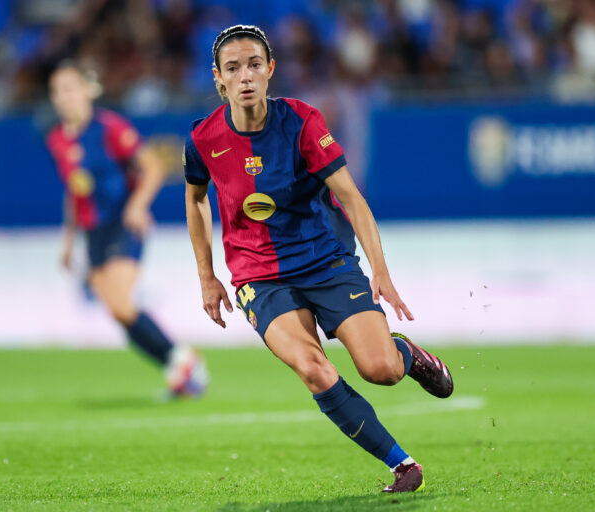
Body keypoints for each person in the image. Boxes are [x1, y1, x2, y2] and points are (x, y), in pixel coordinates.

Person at [183, 25, 453, 493]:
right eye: (233, 68)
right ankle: (403, 465)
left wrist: (381, 272)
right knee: (313, 367)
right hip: (259, 277)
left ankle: (406, 354)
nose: (245, 76)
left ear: (270, 69)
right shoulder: (204, 138)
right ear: (218, 78)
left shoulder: (302, 122)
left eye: (254, 65)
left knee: (381, 370)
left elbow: (351, 197)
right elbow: (196, 199)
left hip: (324, 261)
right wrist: (207, 276)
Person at [46, 61, 208, 397]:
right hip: (93, 232)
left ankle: (184, 361)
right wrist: (68, 241)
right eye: (57, 91)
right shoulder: (57, 139)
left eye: (70, 88)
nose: (64, 97)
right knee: (119, 313)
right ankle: (178, 369)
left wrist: (138, 205)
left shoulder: (110, 128)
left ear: (87, 90)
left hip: (123, 222)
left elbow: (153, 167)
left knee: (121, 305)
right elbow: (73, 191)